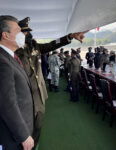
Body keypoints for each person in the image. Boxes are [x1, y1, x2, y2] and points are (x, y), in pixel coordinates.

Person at [15, 17, 88, 149]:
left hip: (39, 94)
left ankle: (33, 146)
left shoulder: (35, 46)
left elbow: (53, 44)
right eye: (24, 32)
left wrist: (70, 36)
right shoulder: (14, 51)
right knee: (25, 128)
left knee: (38, 125)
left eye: (28, 32)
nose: (27, 35)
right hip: (24, 95)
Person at [0, 15, 34, 150]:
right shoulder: (2, 61)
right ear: (5, 35)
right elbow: (6, 102)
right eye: (18, 30)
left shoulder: (10, 56)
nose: (22, 34)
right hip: (14, 137)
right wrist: (23, 135)